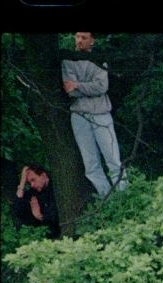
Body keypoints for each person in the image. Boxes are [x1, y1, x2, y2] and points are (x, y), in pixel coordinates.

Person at [61, 32, 125, 197]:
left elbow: (102, 87)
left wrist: (78, 85)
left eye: (84, 37)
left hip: (101, 113)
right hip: (79, 115)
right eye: (77, 37)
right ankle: (108, 200)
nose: (79, 41)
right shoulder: (68, 61)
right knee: (91, 165)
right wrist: (85, 87)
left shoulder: (99, 59)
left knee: (112, 158)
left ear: (92, 41)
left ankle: (125, 196)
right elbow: (70, 91)